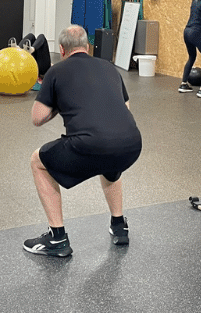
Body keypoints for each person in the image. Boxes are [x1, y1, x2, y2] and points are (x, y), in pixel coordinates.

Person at [25, 25, 142, 257]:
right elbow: (125, 108)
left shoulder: (55, 72)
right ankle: (119, 226)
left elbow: (37, 118)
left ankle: (57, 238)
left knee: (38, 161)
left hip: (90, 146)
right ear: (87, 47)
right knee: (110, 161)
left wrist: (58, 103)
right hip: (131, 145)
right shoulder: (109, 67)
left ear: (62, 49)